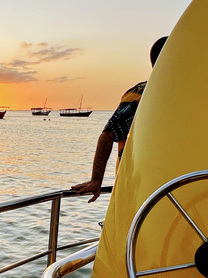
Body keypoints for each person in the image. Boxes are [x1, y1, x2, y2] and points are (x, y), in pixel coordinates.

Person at [72, 36, 168, 202]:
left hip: (165, 186)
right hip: (138, 188)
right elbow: (108, 134)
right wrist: (96, 180)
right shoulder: (140, 93)